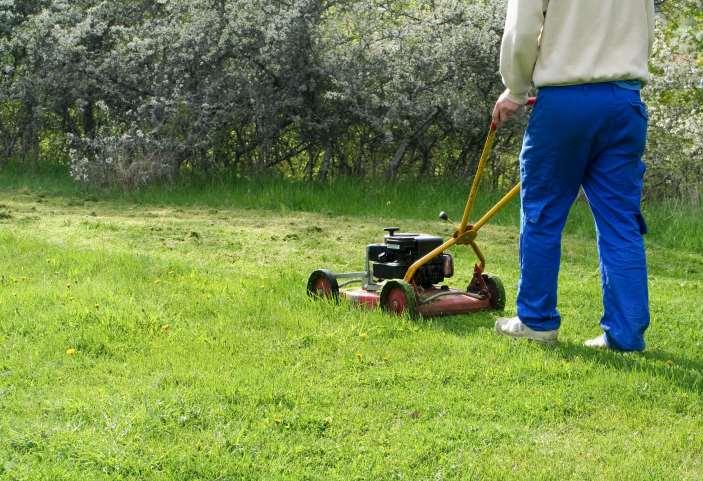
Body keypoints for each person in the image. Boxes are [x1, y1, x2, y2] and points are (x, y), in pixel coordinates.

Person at [492, 0, 656, 351]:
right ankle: (626, 335)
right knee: (621, 221)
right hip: (625, 101)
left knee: (542, 213)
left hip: (564, 102)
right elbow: (647, 27)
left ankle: (536, 321)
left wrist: (516, 90)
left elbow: (521, 30)